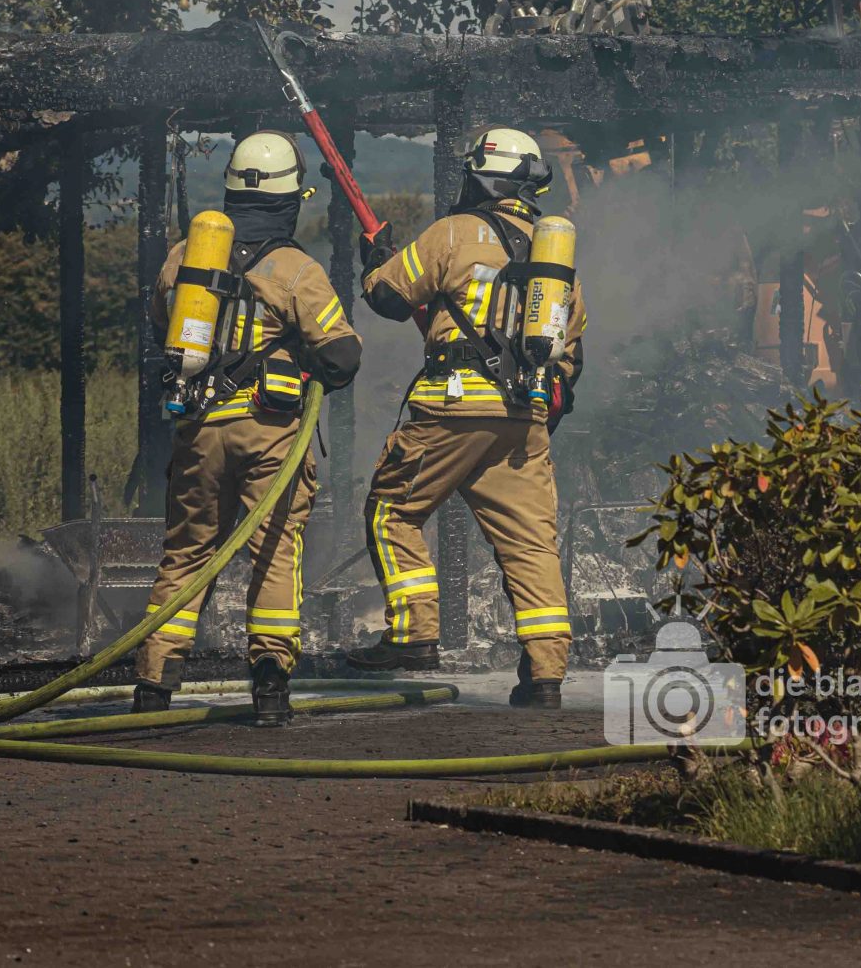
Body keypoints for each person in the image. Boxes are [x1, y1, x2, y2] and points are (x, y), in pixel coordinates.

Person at [346, 126, 584, 708]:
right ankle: (546, 674)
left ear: (479, 176)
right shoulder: (556, 263)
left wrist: (376, 260)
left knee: (391, 512)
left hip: (452, 407)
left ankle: (414, 635)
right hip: (523, 416)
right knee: (531, 544)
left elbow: (386, 297)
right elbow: (570, 360)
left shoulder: (454, 234)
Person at [134, 131, 362, 727]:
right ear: (292, 199)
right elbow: (342, 358)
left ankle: (154, 686)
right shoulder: (296, 268)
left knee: (186, 554)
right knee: (275, 552)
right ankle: (269, 688)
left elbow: (164, 326)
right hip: (271, 434)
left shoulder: (186, 254)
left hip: (201, 429)